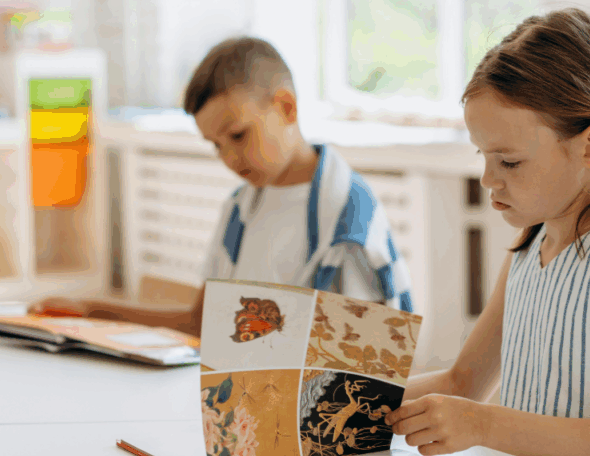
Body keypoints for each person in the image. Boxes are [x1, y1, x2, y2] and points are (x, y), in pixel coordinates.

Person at [386, 8, 590, 456]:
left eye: (509, 160)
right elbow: (464, 380)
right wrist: (349, 405)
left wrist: (484, 425)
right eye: (483, 157)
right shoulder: (530, 247)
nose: (488, 180)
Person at [29, 37, 413, 336]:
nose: (229, 158)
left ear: (286, 107)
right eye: (215, 146)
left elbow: (365, 358)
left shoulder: (348, 223)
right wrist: (94, 311)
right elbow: (203, 324)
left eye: (238, 135)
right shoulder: (239, 209)